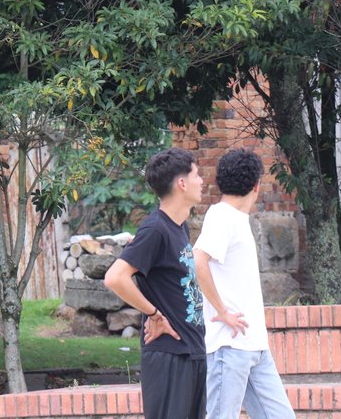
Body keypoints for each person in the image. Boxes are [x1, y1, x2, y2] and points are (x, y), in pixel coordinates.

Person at [104, 147, 207, 419]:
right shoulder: (155, 229)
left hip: (191, 351)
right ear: (181, 183)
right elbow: (115, 277)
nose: (202, 181)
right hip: (169, 354)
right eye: (197, 175)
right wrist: (154, 313)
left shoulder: (178, 226)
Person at [193, 150, 295, 419]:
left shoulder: (235, 219)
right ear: (256, 186)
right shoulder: (222, 216)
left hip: (254, 346)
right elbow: (198, 262)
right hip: (230, 346)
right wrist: (222, 311)